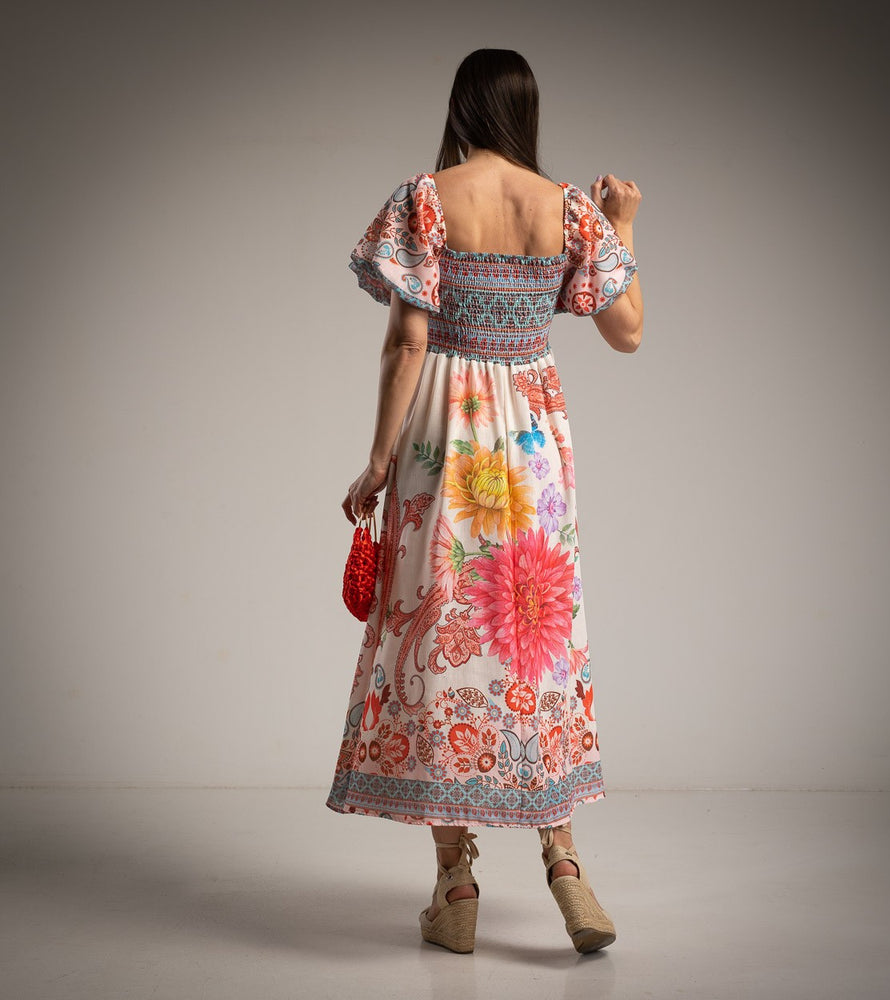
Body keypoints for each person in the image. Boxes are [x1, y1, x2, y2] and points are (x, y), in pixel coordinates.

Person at [326, 48, 643, 955]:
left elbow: (404, 343)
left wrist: (379, 461)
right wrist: (620, 226)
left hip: (445, 440)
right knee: (531, 636)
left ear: (462, 105)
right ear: (528, 112)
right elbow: (628, 332)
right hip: (534, 444)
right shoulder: (569, 208)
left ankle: (455, 884)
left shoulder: (425, 199)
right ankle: (567, 868)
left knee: (443, 630)